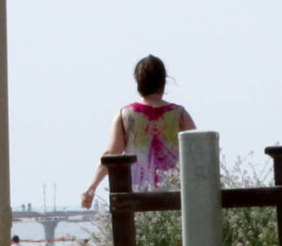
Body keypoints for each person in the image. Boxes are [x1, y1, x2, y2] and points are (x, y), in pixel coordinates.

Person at [79, 54, 195, 208]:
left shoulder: (125, 115)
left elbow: (110, 155)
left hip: (137, 199)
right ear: (164, 82)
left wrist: (91, 187)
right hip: (175, 199)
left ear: (138, 82)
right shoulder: (179, 114)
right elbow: (197, 152)